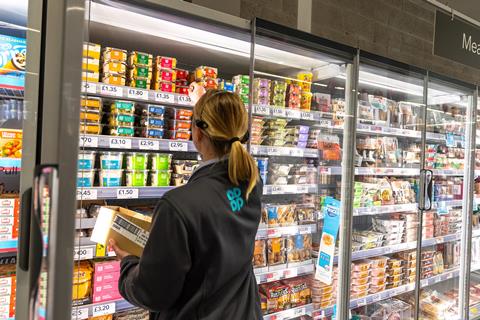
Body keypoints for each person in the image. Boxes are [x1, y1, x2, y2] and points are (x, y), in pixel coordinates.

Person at [110, 83, 263, 320]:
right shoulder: (251, 183)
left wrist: (129, 264)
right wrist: (203, 105)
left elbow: (153, 294)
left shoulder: (178, 205)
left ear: (197, 132)